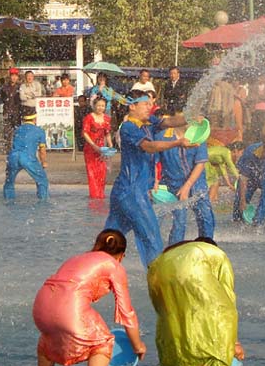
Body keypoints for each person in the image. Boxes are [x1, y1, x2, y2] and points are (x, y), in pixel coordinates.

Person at [33, 229, 145, 366]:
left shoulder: (76, 258)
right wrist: (137, 345)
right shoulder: (113, 266)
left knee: (50, 337)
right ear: (121, 255)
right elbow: (127, 312)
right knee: (103, 341)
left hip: (41, 308)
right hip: (69, 310)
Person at [105, 91, 194, 269]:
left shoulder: (148, 122)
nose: (150, 107)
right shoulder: (129, 127)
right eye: (145, 104)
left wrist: (192, 116)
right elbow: (149, 147)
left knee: (110, 240)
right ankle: (158, 280)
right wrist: (176, 143)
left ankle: (91, 273)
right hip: (132, 193)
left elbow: (168, 122)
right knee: (152, 237)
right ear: (132, 106)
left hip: (124, 192)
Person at [147, 238, 245, 366]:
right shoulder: (216, 254)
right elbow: (228, 298)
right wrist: (234, 343)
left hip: (156, 269)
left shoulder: (176, 252)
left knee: (172, 316)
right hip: (189, 266)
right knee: (222, 310)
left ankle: (177, 359)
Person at [157, 121, 215, 245]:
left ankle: (207, 248)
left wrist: (187, 185)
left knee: (206, 217)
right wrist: (154, 182)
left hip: (197, 184)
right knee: (179, 221)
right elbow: (154, 161)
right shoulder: (162, 137)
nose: (198, 119)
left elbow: (200, 163)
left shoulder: (198, 135)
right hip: (173, 185)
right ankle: (173, 251)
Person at [3, 113, 49, 200]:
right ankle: (43, 202)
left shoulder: (17, 129)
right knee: (42, 180)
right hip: (28, 158)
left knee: (9, 181)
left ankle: (9, 201)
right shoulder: (39, 131)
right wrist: (44, 162)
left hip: (13, 156)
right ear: (35, 120)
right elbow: (42, 150)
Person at [82, 96, 113, 199]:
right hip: (90, 149)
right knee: (92, 173)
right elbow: (85, 133)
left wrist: (110, 145)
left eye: (103, 106)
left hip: (102, 149)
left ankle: (100, 195)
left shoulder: (107, 118)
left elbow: (107, 133)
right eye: (98, 105)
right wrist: (93, 145)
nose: (100, 108)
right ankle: (94, 196)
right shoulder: (89, 118)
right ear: (94, 105)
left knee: (101, 173)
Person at [233, 141, 263, 222]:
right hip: (250, 179)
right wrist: (242, 201)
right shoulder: (249, 153)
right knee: (238, 203)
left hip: (264, 178)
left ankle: (258, 222)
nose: (235, 155)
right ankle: (237, 222)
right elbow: (243, 178)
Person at [0, 68, 23, 148]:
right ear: (10, 76)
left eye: (16, 76)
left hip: (17, 111)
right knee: (7, 130)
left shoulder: (21, 87)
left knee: (17, 130)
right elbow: (1, 98)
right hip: (7, 111)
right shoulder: (4, 87)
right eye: (12, 76)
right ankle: (7, 146)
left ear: (18, 77)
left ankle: (17, 146)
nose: (14, 77)